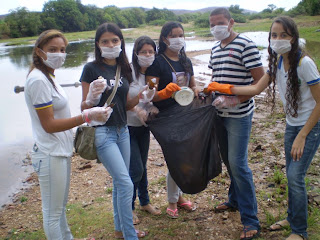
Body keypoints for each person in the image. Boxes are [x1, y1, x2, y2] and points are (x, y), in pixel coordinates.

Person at [208, 16, 320, 240]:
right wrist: (224, 89)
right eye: (274, 35)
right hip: (291, 126)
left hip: (309, 127)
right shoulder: (277, 62)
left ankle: (300, 231)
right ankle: (292, 217)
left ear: (294, 37)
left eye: (284, 35)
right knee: (291, 176)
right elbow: (256, 88)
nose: (278, 40)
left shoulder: (304, 63)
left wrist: (303, 135)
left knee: (295, 177)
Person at [24, 29, 111, 240]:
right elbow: (49, 125)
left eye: (62, 49)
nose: (59, 54)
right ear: (39, 51)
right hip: (49, 153)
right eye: (52, 49)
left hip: (59, 151)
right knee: (53, 214)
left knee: (60, 208)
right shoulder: (38, 80)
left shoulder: (49, 77)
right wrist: (87, 116)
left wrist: (89, 101)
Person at [80, 23, 147, 239]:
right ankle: (130, 235)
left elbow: (126, 105)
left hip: (122, 130)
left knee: (121, 183)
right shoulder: (91, 69)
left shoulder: (124, 68)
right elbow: (84, 108)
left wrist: (143, 97)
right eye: (105, 41)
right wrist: (91, 98)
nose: (110, 44)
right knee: (126, 183)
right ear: (98, 45)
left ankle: (120, 230)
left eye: (115, 40)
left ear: (121, 42)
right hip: (103, 133)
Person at [208, 7, 265, 240]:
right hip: (219, 114)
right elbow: (214, 78)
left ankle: (251, 220)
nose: (215, 28)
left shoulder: (245, 45)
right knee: (229, 162)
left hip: (239, 115)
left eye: (220, 23)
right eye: (212, 24)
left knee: (239, 165)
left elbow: (260, 81)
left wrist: (235, 99)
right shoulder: (214, 49)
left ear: (231, 22)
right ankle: (233, 200)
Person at [146, 21, 199, 219]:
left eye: (181, 35)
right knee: (174, 157)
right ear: (165, 38)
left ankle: (179, 197)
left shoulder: (186, 60)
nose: (178, 39)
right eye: (173, 35)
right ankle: (172, 200)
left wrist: (195, 90)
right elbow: (149, 94)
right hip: (166, 117)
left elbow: (193, 84)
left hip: (186, 113)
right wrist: (165, 92)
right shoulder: (156, 62)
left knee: (184, 156)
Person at [127, 36, 161, 225]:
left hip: (144, 126)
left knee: (143, 165)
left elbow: (152, 97)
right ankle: (129, 207)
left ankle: (144, 202)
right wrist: (137, 109)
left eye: (151, 52)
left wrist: (151, 109)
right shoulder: (128, 72)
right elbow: (123, 100)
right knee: (135, 169)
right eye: (143, 52)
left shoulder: (154, 73)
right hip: (128, 126)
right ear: (136, 53)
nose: (147, 55)